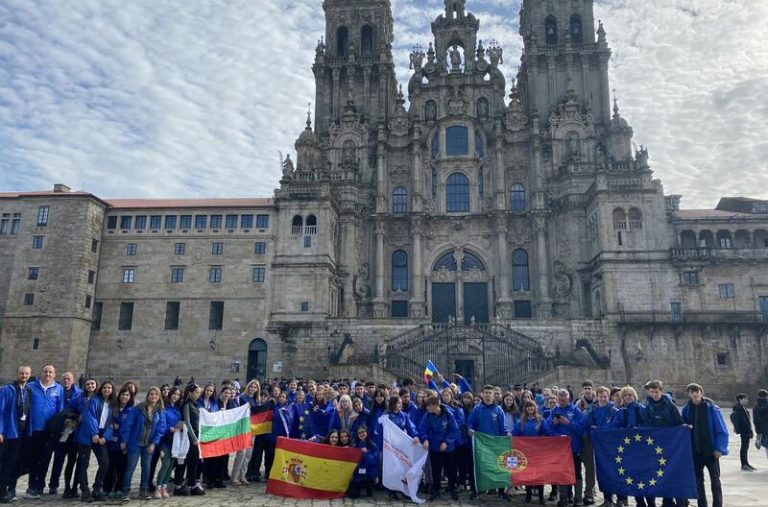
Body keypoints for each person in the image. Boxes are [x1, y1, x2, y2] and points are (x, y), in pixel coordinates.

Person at [681, 383, 728, 507]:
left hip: (711, 451)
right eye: (692, 392)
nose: (695, 394)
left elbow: (721, 430)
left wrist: (720, 448)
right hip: (696, 451)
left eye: (697, 391)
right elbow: (683, 426)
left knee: (715, 480)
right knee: (698, 481)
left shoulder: (712, 409)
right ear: (689, 394)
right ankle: (702, 504)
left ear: (701, 392)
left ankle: (717, 504)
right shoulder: (686, 410)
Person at [25, 364, 65, 499]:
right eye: (45, 372)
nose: (47, 374)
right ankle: (31, 486)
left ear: (54, 375)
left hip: (48, 431)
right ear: (41, 373)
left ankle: (40, 485)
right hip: (33, 429)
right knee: (32, 458)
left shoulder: (58, 389)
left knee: (45, 459)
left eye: (50, 372)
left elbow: (60, 410)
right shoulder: (31, 387)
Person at [120, 386, 166, 500]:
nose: (154, 396)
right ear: (148, 396)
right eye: (152, 394)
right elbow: (128, 424)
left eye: (156, 394)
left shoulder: (160, 411)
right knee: (130, 467)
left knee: (146, 468)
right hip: (134, 442)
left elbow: (161, 429)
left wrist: (154, 443)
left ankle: (144, 491)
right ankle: (125, 491)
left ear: (159, 397)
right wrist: (124, 441)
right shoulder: (138, 408)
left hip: (149, 444)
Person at [644, 380, 684, 507]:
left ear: (661, 391)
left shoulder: (670, 406)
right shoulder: (647, 406)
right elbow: (645, 423)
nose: (654, 394)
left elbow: (678, 422)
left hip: (669, 444)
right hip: (653, 444)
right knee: (653, 473)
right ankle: (651, 502)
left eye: (656, 392)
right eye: (652, 392)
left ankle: (669, 500)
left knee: (668, 472)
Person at [467, 385, 510, 500]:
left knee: (499, 467)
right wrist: (470, 429)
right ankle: (476, 489)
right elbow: (470, 423)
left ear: (493, 395)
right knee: (479, 467)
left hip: (496, 445)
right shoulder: (477, 409)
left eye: (490, 393)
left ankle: (500, 491)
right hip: (481, 445)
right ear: (482, 394)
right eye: (485, 392)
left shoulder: (498, 410)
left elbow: (504, 428)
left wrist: (506, 435)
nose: (487, 395)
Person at [74, 379, 114, 502]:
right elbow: (88, 417)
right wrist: (94, 433)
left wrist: (105, 437)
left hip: (101, 435)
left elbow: (111, 423)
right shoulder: (94, 400)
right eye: (105, 388)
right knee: (83, 463)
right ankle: (85, 491)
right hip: (87, 434)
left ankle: (97, 488)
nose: (107, 390)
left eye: (109, 388)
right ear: (101, 389)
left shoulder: (113, 404)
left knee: (104, 462)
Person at [544, 388, 585, 507]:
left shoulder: (576, 411)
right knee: (562, 472)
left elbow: (581, 428)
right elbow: (546, 427)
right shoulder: (554, 411)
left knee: (576, 472)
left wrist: (569, 423)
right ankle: (563, 498)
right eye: (560, 400)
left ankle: (578, 498)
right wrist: (554, 424)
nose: (561, 402)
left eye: (564, 400)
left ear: (569, 398)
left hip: (574, 447)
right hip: (560, 448)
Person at [374, 395, 419, 500]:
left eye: (400, 403)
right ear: (393, 404)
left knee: (403, 469)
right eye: (398, 403)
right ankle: (392, 490)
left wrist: (415, 436)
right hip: (388, 448)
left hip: (400, 448)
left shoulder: (404, 415)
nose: (400, 405)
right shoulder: (385, 415)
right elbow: (378, 430)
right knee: (391, 470)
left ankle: (403, 490)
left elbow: (411, 427)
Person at [0, 365, 33, 504]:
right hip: (8, 433)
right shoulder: (7, 390)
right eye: (21, 373)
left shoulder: (28, 391)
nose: (24, 376)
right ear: (17, 374)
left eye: (26, 374)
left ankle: (7, 489)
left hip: (21, 433)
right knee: (4, 463)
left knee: (13, 464)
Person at [418, 395, 460, 501]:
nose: (426, 408)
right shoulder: (428, 415)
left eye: (428, 406)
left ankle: (452, 489)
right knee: (436, 470)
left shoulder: (448, 414)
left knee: (451, 470)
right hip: (434, 447)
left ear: (435, 406)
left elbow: (455, 430)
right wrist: (425, 439)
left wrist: (447, 442)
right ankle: (436, 490)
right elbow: (422, 428)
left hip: (448, 448)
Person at [49, 371, 82, 497]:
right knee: (58, 459)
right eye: (64, 379)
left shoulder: (79, 393)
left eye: (69, 379)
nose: (66, 381)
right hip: (59, 432)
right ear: (61, 380)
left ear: (73, 380)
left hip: (73, 433)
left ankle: (70, 487)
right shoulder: (57, 391)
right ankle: (53, 485)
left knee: (72, 461)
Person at [585, 387, 618, 507]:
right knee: (603, 471)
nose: (603, 399)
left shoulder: (613, 411)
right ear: (597, 397)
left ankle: (619, 497)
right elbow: (589, 427)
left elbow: (615, 427)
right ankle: (607, 498)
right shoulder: (593, 411)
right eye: (600, 396)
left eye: (605, 396)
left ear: (608, 397)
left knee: (615, 470)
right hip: (599, 447)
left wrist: (600, 430)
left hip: (612, 446)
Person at [173, 384, 205, 496]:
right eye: (196, 392)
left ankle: (192, 484)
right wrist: (194, 438)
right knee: (183, 460)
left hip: (196, 435)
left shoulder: (196, 404)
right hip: (188, 436)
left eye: (199, 393)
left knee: (194, 461)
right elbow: (187, 421)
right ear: (190, 393)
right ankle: (178, 485)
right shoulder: (187, 404)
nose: (198, 394)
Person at [103, 386, 133, 499]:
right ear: (119, 395)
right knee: (109, 466)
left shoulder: (131, 410)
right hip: (111, 442)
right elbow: (109, 423)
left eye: (127, 395)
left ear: (130, 397)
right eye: (123, 394)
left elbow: (129, 427)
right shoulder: (113, 407)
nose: (124, 397)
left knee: (121, 467)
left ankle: (119, 488)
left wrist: (124, 440)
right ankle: (106, 488)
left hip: (123, 443)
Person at [514, 400, 546, 504]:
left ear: (535, 407)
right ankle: (528, 494)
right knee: (527, 473)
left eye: (531, 406)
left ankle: (541, 495)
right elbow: (515, 433)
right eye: (528, 407)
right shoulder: (521, 421)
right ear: (525, 408)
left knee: (539, 474)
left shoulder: (540, 420)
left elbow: (548, 431)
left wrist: (558, 437)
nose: (530, 408)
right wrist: (508, 436)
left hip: (538, 452)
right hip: (525, 452)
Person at [156, 387, 183, 498]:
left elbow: (180, 422)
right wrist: (169, 429)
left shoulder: (177, 409)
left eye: (178, 394)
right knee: (165, 464)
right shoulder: (163, 407)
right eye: (174, 394)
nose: (175, 396)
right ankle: (158, 488)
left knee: (171, 464)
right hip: (164, 440)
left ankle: (164, 487)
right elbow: (160, 423)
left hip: (174, 440)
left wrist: (180, 427)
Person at [575, 380, 597, 506]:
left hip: (591, 439)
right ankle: (578, 493)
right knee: (578, 467)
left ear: (592, 389)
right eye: (585, 388)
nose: (587, 390)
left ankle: (589, 493)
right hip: (580, 438)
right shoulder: (579, 404)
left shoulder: (597, 402)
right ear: (582, 390)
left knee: (590, 468)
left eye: (589, 388)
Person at [348, 425, 378, 498]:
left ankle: (369, 486)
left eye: (363, 432)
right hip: (358, 474)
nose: (361, 434)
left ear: (367, 432)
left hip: (369, 474)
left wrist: (365, 453)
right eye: (359, 433)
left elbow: (374, 462)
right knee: (353, 495)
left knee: (369, 494)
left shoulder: (373, 445)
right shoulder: (355, 445)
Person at [731, 393, 756, 471]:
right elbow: (742, 422)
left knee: (745, 447)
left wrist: (750, 430)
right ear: (740, 400)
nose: (746, 400)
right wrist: (747, 431)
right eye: (744, 399)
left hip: (746, 431)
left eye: (747, 399)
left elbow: (747, 421)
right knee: (744, 448)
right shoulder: (739, 409)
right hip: (744, 432)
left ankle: (746, 463)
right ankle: (744, 464)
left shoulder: (742, 408)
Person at [754, 389, 768, 460]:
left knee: (766, 446)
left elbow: (755, 420)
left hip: (762, 430)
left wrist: (758, 431)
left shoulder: (756, 407)